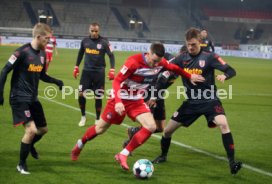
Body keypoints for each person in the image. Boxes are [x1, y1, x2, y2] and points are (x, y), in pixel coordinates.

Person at [71, 42, 205, 171]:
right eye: (153, 61)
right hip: (120, 98)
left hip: (136, 100)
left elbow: (175, 68)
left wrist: (189, 76)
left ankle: (123, 154)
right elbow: (117, 81)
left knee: (152, 126)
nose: (155, 65)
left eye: (158, 62)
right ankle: (79, 145)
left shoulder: (160, 62)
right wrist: (118, 101)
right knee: (100, 129)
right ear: (149, 53)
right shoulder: (133, 62)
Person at [152, 28, 242, 175]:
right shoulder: (181, 58)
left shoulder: (210, 57)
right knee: (167, 131)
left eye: (193, 44)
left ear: (200, 42)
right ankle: (163, 156)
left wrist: (225, 76)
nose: (191, 47)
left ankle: (232, 163)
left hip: (209, 100)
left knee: (224, 124)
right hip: (191, 103)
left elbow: (231, 70)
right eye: (188, 44)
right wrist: (158, 89)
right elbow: (164, 73)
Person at [0, 23, 64, 174]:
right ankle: (21, 164)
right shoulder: (21, 52)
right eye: (47, 39)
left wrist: (56, 81)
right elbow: (4, 70)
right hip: (19, 98)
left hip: (33, 98)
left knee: (42, 130)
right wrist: (0, 93)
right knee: (31, 130)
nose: (48, 42)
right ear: (38, 37)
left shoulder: (42, 54)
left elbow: (41, 75)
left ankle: (30, 146)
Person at [122, 46, 188, 148]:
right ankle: (128, 148)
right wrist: (153, 96)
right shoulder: (172, 65)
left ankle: (134, 131)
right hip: (150, 92)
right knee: (149, 125)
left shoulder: (180, 65)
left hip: (158, 94)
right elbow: (161, 80)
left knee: (160, 127)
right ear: (181, 55)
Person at [73, 22, 115, 127]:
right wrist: (76, 66)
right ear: (89, 30)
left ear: (98, 31)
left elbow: (111, 55)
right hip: (86, 72)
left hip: (99, 73)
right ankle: (83, 116)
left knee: (98, 96)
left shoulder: (105, 42)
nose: (94, 33)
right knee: (81, 94)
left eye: (96, 31)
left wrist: (112, 70)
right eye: (92, 31)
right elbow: (80, 53)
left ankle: (97, 118)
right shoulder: (85, 41)